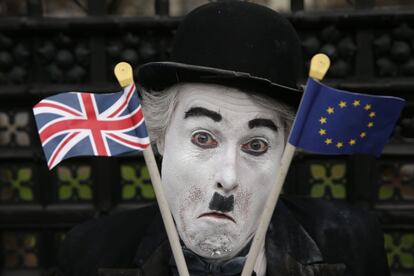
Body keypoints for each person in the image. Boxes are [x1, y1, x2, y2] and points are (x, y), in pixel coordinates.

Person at [56, 1, 389, 276]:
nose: (227, 178)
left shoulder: (354, 243)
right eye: (203, 138)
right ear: (160, 137)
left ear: (285, 155)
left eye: (256, 145)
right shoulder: (88, 254)